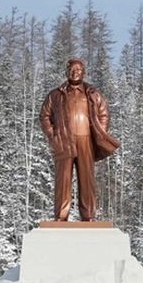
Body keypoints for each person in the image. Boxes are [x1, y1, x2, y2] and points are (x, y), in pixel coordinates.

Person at [39, 58, 119, 222]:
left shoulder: (92, 93)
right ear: (66, 71)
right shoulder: (56, 95)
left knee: (86, 177)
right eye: (72, 69)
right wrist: (53, 137)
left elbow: (104, 114)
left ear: (84, 72)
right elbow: (45, 116)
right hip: (64, 140)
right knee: (63, 178)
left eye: (78, 70)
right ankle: (61, 216)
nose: (75, 72)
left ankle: (88, 215)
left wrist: (99, 134)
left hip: (85, 140)